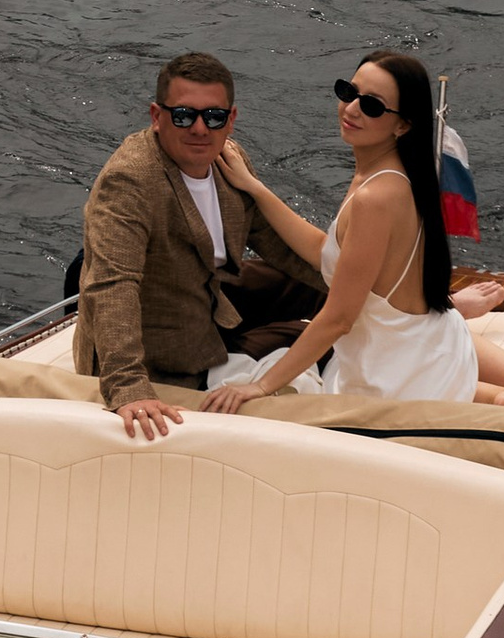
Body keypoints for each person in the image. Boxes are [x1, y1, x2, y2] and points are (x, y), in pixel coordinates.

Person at [205, 51, 504, 416]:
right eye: (349, 91)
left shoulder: (376, 196)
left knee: (243, 373)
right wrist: (257, 189)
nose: (352, 108)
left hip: (393, 372)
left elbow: (339, 318)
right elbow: (325, 250)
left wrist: (259, 386)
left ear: (402, 125)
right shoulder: (389, 173)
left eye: (372, 105)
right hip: (428, 344)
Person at [75, 54, 322, 443]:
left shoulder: (230, 160)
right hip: (164, 361)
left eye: (214, 117)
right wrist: (129, 387)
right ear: (157, 116)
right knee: (303, 350)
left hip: (206, 314)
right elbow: (112, 284)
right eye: (185, 115)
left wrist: (370, 293)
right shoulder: (130, 181)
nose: (201, 129)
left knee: (321, 310)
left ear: (231, 118)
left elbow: (281, 247)